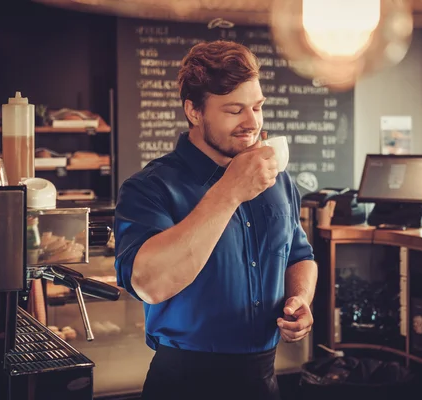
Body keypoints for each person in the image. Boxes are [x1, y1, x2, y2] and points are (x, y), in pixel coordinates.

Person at [114, 40, 317, 400]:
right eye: (234, 110)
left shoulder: (277, 178)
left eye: (257, 107)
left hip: (263, 380)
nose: (252, 122)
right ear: (194, 111)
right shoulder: (149, 187)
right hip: (183, 383)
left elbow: (300, 256)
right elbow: (149, 284)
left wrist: (300, 299)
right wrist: (229, 191)